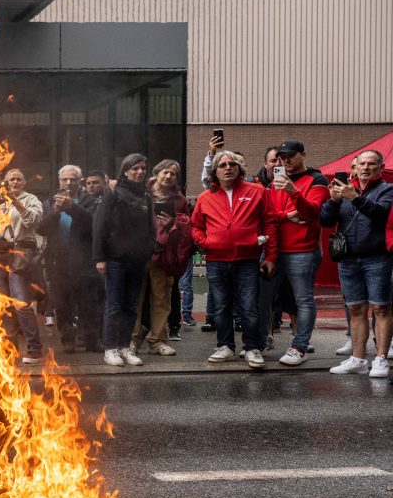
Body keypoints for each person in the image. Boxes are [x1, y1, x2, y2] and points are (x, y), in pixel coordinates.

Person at [190, 150, 278, 369]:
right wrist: (207, 243)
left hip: (247, 260)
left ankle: (252, 348)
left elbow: (270, 223)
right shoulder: (204, 198)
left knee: (249, 307)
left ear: (239, 169)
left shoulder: (257, 191)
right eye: (222, 165)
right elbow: (195, 226)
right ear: (215, 171)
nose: (227, 168)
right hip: (216, 261)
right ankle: (225, 346)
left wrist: (271, 256)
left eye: (232, 164)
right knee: (220, 307)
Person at [320, 150, 393, 376]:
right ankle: (358, 359)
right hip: (348, 259)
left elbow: (381, 214)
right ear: (355, 167)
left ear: (381, 168)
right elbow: (324, 220)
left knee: (381, 308)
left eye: (372, 164)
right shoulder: (343, 190)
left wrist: (355, 197)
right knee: (355, 309)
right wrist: (333, 201)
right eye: (362, 163)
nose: (365, 167)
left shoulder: (387, 190)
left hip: (377, 257)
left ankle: (381, 359)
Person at [257, 139, 329, 366]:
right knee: (261, 298)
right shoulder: (274, 181)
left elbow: (312, 213)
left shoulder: (317, 180)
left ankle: (299, 347)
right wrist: (288, 215)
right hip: (274, 249)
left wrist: (293, 193)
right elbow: (269, 215)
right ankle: (257, 344)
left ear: (303, 155)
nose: (285, 160)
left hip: (303, 251)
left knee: (303, 300)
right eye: (281, 157)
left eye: (290, 156)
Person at [92, 155, 154, 368]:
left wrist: (149, 250)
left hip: (137, 260)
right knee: (114, 305)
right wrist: (100, 257)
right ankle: (110, 349)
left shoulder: (146, 197)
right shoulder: (113, 195)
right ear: (125, 171)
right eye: (135, 168)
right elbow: (100, 226)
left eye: (143, 168)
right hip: (115, 260)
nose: (140, 172)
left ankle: (125, 346)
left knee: (131, 306)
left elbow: (150, 228)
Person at [0, 169, 44, 363]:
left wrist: (15, 201)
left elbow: (33, 221)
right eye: (11, 180)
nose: (15, 182)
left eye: (18, 179)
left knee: (20, 301)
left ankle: (34, 349)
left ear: (24, 182)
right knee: (5, 302)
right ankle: (11, 347)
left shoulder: (32, 199)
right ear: (6, 183)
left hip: (20, 254)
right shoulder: (0, 204)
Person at [39, 164, 101, 353]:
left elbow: (93, 223)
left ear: (79, 181)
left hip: (83, 261)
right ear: (59, 181)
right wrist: (56, 211)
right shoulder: (50, 202)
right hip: (58, 261)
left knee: (88, 303)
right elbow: (41, 229)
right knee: (62, 304)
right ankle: (68, 340)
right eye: (65, 179)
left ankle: (90, 340)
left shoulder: (89, 200)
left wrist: (72, 207)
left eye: (73, 179)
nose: (68, 183)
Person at [130, 160, 190, 356]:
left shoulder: (179, 199)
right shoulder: (139, 192)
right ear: (156, 174)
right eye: (165, 172)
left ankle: (157, 341)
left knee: (162, 298)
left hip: (164, 254)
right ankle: (132, 339)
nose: (169, 177)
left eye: (173, 174)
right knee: (134, 298)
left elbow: (187, 227)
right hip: (139, 252)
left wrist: (174, 222)